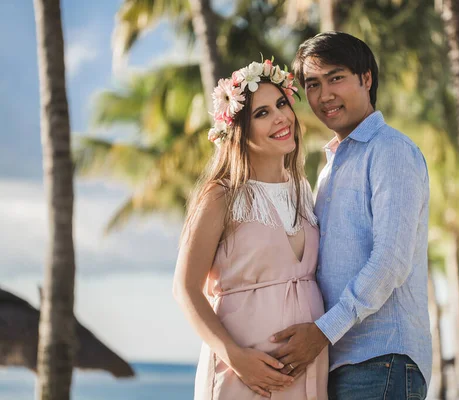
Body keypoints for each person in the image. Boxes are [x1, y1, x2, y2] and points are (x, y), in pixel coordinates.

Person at [268, 32, 432, 399]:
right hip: (341, 363)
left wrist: (324, 330)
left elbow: (390, 260)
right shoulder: (328, 170)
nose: (324, 95)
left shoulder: (389, 150)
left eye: (336, 77)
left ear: (366, 79)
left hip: (382, 359)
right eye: (313, 84)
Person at [173, 59, 328, 400]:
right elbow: (185, 289)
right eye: (262, 113)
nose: (280, 118)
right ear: (239, 128)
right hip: (243, 375)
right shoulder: (221, 195)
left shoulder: (304, 191)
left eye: (282, 104)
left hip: (306, 374)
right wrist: (236, 357)